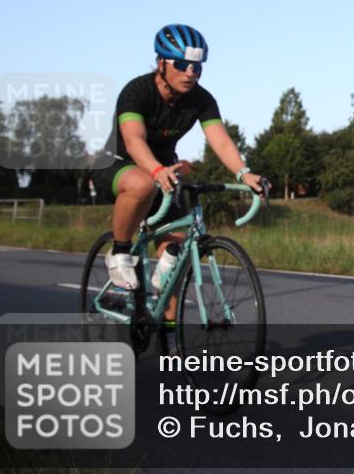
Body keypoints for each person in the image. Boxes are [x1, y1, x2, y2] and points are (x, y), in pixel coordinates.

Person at [91, 24, 267, 299]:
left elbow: (220, 140)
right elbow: (134, 140)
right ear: (161, 62)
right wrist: (156, 169)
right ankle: (120, 252)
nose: (190, 73)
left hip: (163, 175)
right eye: (182, 64)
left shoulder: (201, 99)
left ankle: (166, 336)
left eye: (197, 67)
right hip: (118, 165)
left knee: (176, 261)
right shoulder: (136, 92)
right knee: (142, 184)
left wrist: (243, 173)